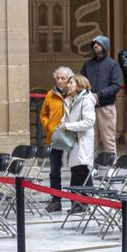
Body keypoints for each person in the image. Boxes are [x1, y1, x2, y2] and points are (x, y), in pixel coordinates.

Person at [59, 74, 97, 214]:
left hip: (82, 140)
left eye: (71, 82)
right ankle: (76, 203)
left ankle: (84, 203)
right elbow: (67, 117)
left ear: (80, 85)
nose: (68, 85)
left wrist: (68, 126)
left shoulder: (86, 100)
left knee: (82, 172)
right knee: (76, 172)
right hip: (73, 140)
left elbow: (89, 122)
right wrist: (63, 125)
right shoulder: (72, 100)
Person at [81, 35, 122, 157]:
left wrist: (98, 95)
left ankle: (111, 168)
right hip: (88, 107)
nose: (95, 46)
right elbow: (81, 83)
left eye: (98, 44)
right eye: (94, 44)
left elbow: (115, 86)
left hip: (106, 107)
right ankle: (91, 168)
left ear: (105, 46)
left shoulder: (112, 64)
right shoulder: (87, 64)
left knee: (108, 139)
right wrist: (88, 95)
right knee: (89, 140)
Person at [39, 67, 73, 213]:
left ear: (69, 79)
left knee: (76, 169)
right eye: (58, 78)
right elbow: (43, 114)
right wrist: (49, 126)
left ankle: (77, 200)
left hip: (72, 135)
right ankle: (56, 200)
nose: (60, 81)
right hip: (54, 136)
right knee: (54, 170)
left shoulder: (74, 94)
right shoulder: (50, 95)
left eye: (63, 78)